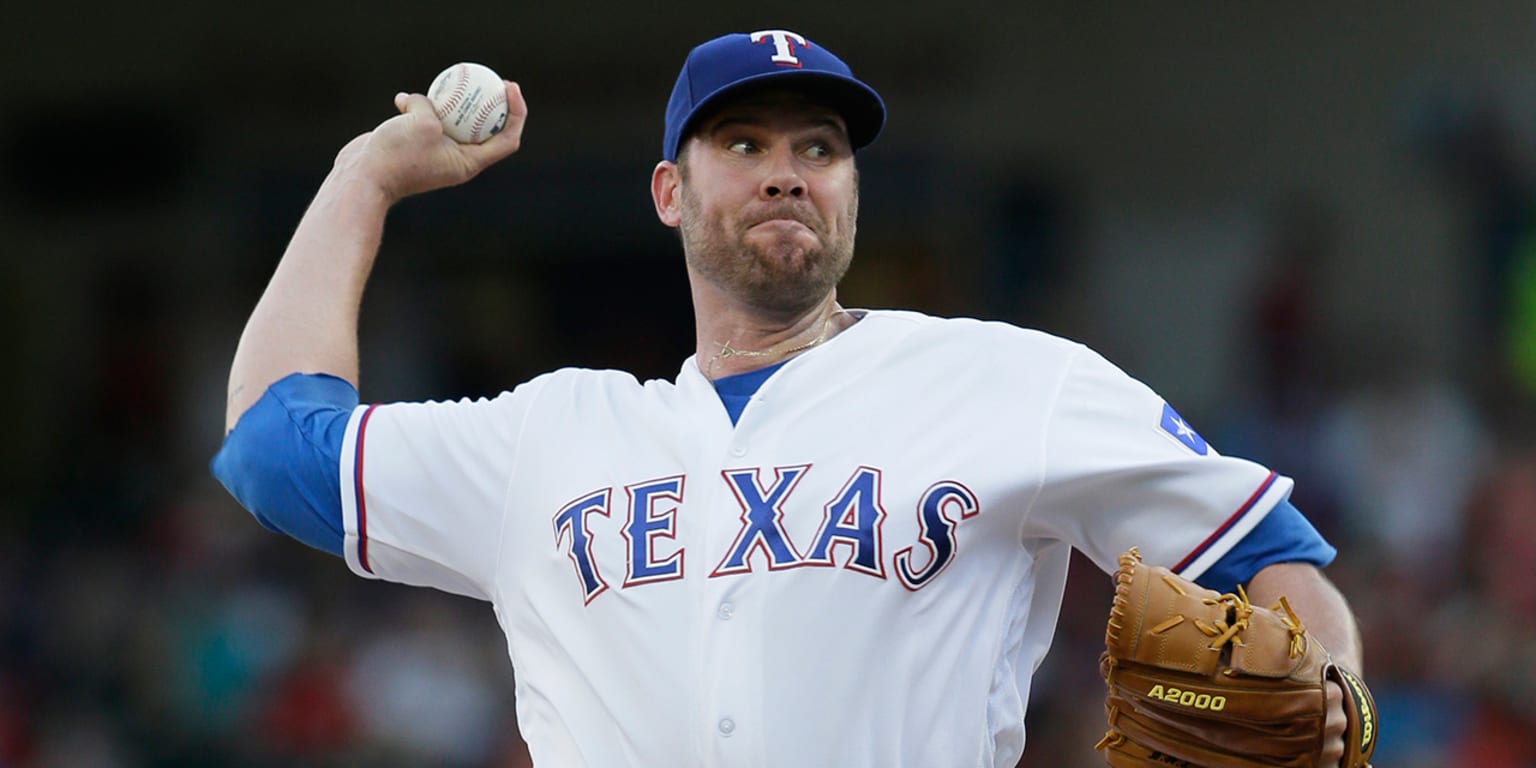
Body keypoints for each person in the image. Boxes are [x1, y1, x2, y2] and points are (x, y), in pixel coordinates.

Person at [212, 29, 1365, 766]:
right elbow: (272, 449)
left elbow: (1267, 548)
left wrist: (1333, 693)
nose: (784, 169)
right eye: (743, 141)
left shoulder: (1010, 381)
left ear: (852, 192)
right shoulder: (549, 437)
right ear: (670, 192)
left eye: (819, 147)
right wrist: (362, 175)